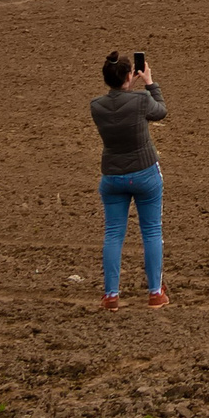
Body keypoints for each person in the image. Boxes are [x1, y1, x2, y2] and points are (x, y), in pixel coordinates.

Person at [89, 51, 167, 309]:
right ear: (128, 76)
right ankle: (155, 292)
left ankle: (111, 295)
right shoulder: (141, 99)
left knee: (113, 234)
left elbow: (118, 104)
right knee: (151, 231)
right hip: (144, 173)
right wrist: (149, 83)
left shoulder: (96, 106)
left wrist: (126, 87)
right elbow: (160, 112)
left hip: (112, 175)